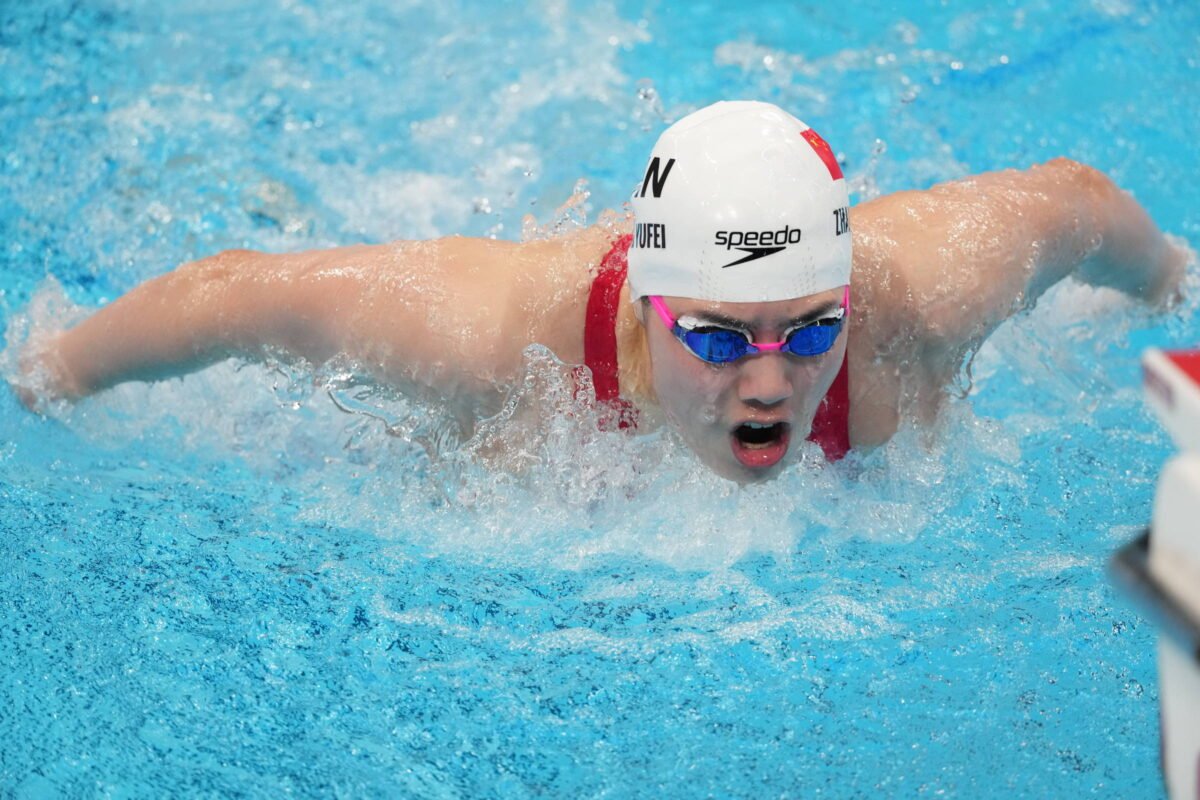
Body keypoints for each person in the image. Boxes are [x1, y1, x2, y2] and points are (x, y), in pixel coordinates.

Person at [11, 101, 1187, 482]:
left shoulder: (910, 312)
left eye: (809, 328)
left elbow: (1072, 202)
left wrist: (1173, 286)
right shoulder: (501, 343)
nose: (774, 380)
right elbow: (238, 296)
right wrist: (47, 370)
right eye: (721, 339)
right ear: (646, 307)